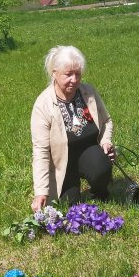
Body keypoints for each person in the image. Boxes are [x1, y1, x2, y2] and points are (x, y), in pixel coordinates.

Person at [30, 46, 116, 211]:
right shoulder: (43, 105)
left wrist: (106, 141)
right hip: (61, 162)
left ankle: (99, 192)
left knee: (101, 166)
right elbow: (40, 151)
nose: (74, 80)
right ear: (54, 73)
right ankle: (70, 185)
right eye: (68, 74)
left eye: (78, 74)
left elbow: (106, 121)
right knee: (68, 205)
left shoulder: (88, 92)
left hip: (88, 151)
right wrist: (41, 192)